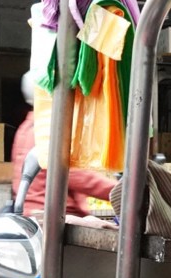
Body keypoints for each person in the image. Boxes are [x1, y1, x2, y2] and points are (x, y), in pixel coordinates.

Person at [9, 73, 115, 217]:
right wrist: (121, 191)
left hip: (34, 213)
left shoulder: (26, 127)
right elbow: (77, 175)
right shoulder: (48, 129)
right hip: (51, 216)